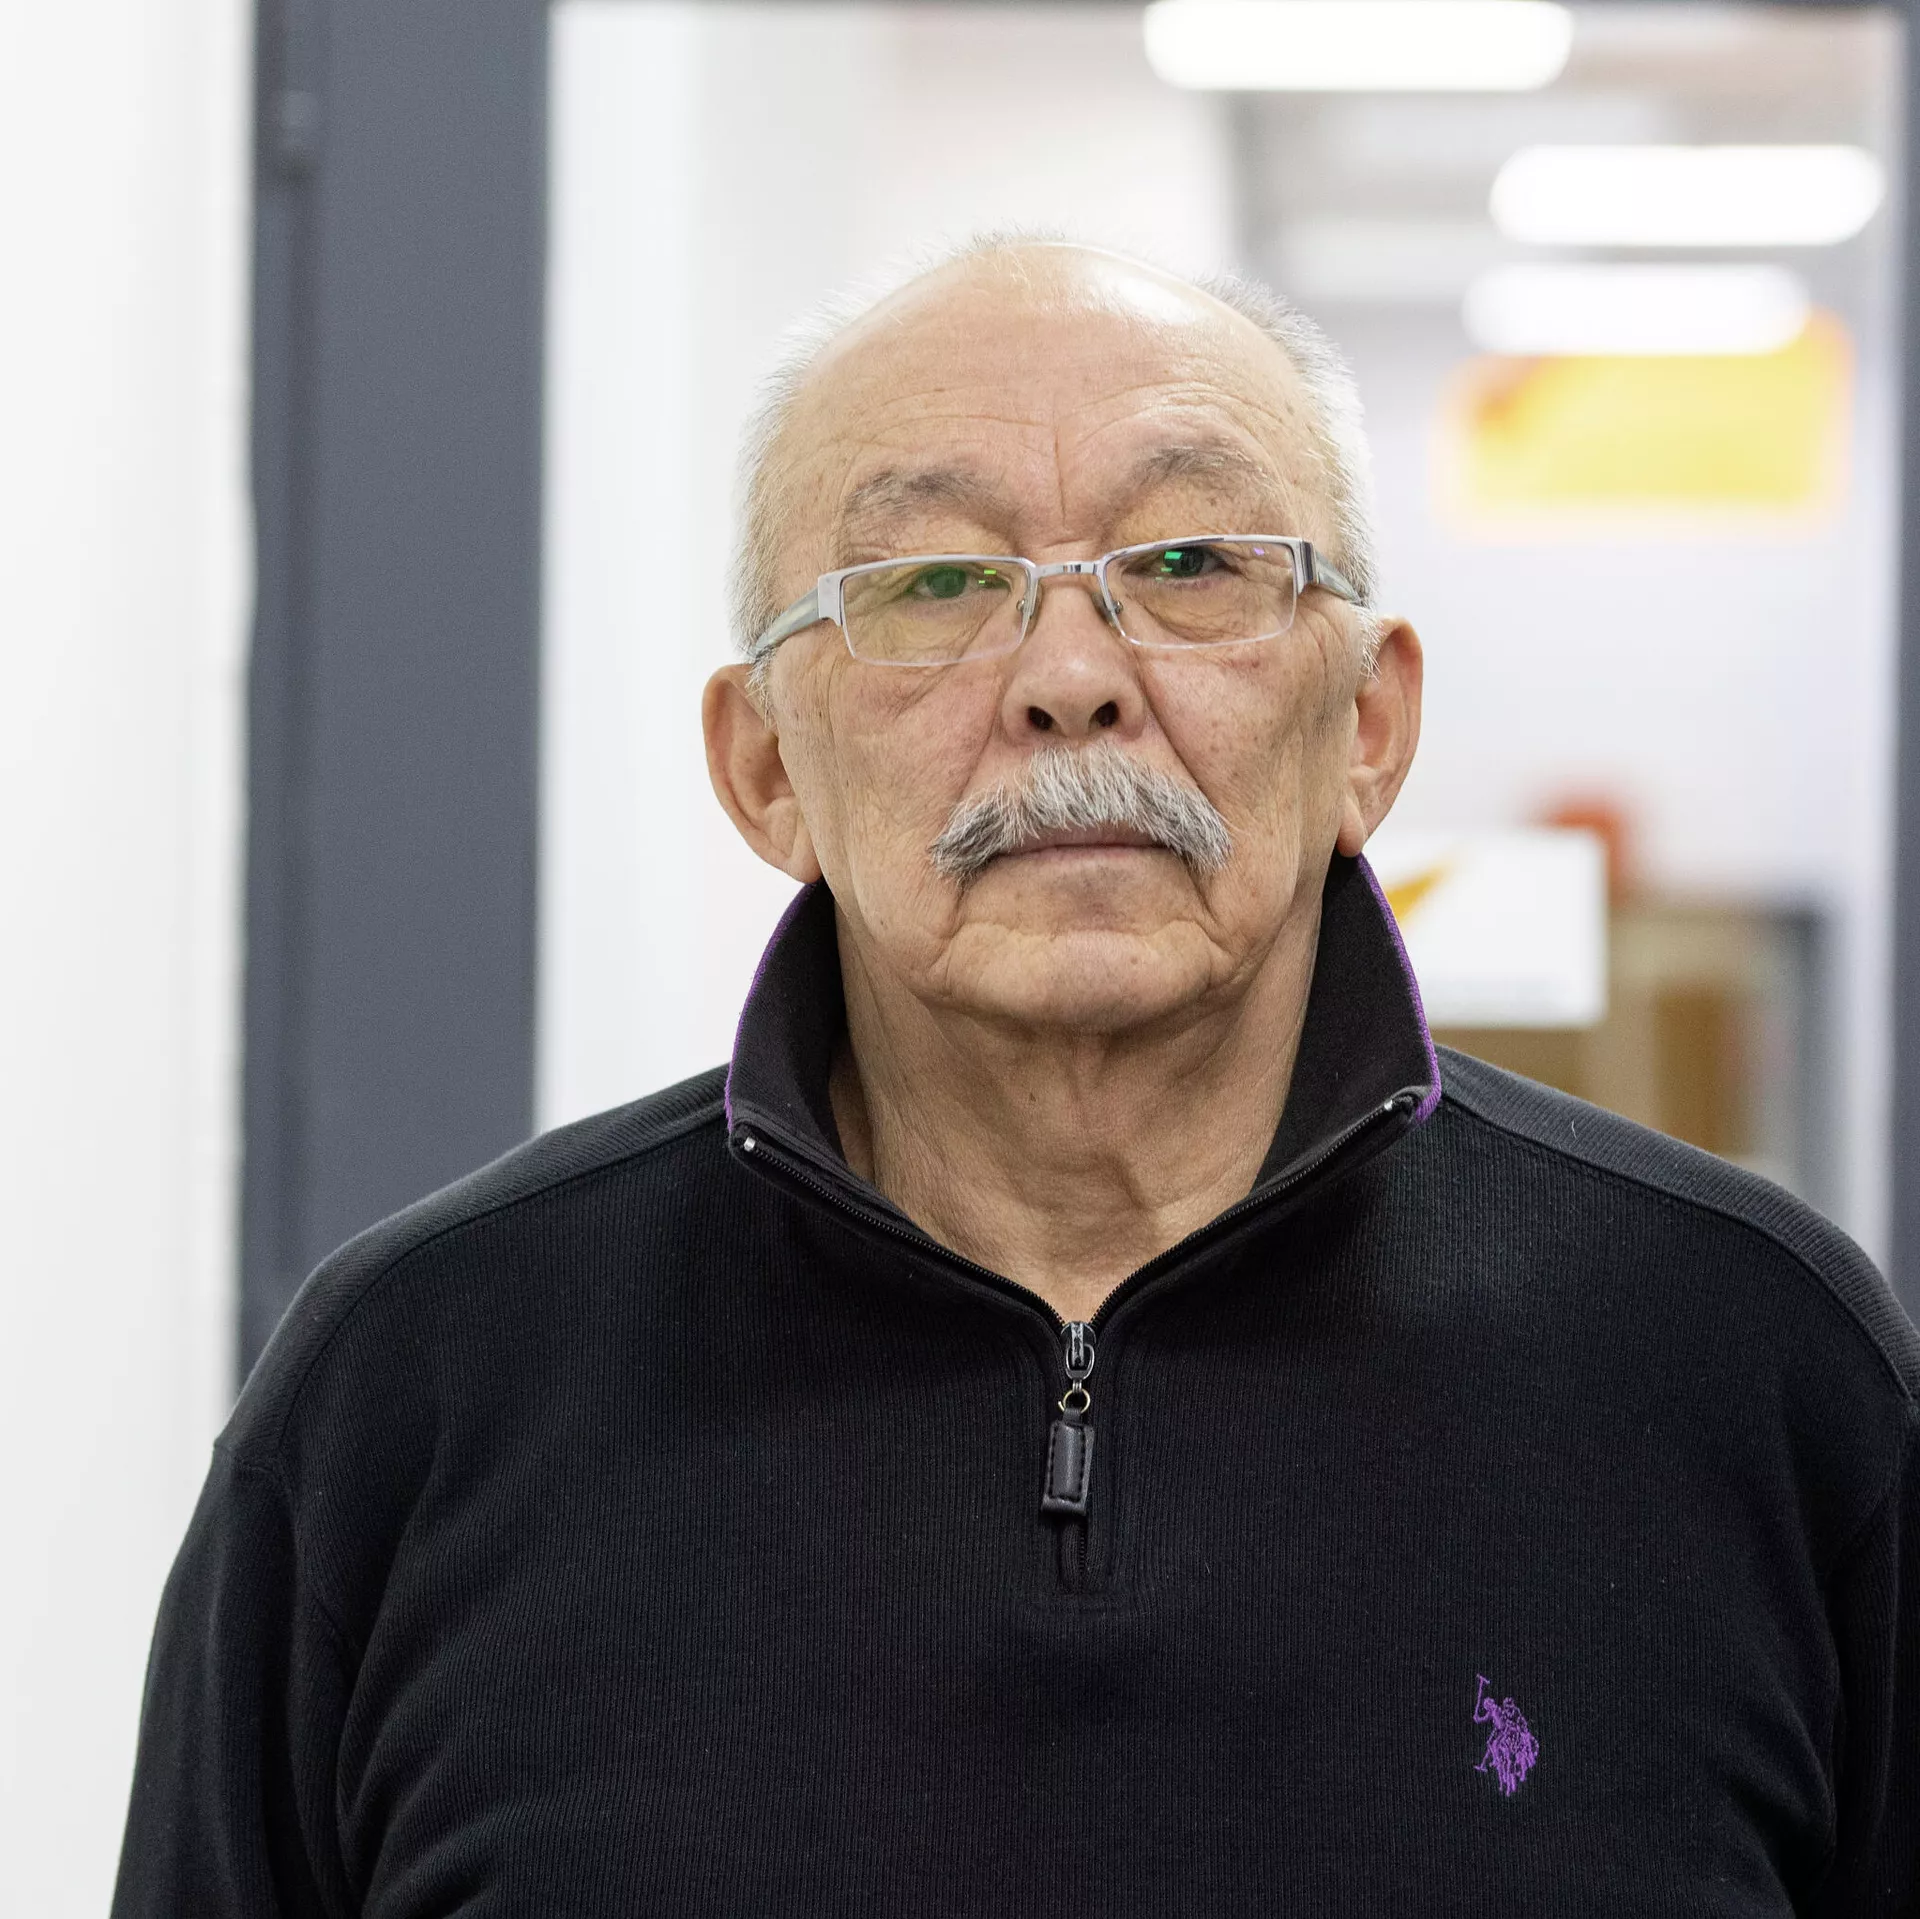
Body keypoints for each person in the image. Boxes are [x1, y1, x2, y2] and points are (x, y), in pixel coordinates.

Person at [114, 238, 1917, 1915]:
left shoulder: (1751, 1369)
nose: (1070, 678)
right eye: (934, 583)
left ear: (1369, 726)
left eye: (1190, 566)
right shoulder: (411, 1401)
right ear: (765, 770)